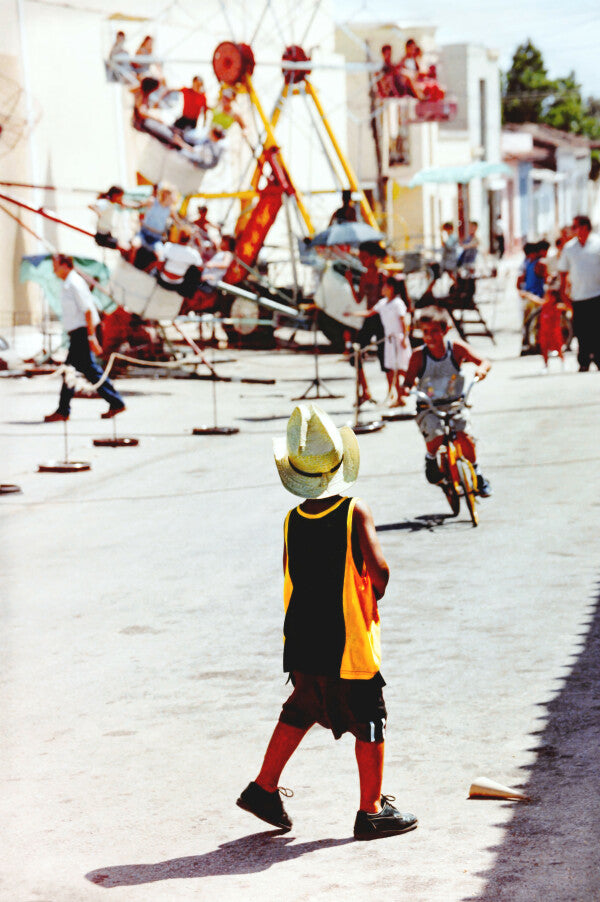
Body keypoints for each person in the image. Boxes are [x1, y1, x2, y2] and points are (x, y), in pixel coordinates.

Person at [236, 403, 418, 841]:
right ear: (339, 464)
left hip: (302, 639)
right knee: (371, 719)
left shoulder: (292, 519)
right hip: (347, 642)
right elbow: (380, 574)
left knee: (301, 707)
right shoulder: (355, 510)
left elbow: (292, 574)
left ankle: (263, 787)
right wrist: (373, 587)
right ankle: (371, 810)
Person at [401, 306, 492, 496]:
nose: (430, 337)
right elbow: (407, 382)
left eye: (435, 331)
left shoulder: (456, 349)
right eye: (425, 332)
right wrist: (406, 390)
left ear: (445, 330)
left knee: (464, 435)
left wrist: (481, 369)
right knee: (436, 433)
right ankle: (431, 458)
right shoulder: (418, 356)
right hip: (429, 406)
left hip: (455, 403)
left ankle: (477, 473)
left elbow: (483, 361)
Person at [44, 255, 125, 422]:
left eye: (56, 265)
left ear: (65, 265)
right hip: (77, 333)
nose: (54, 268)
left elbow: (88, 310)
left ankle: (64, 410)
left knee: (79, 370)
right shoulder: (68, 283)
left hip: (82, 332)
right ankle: (114, 402)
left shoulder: (74, 283)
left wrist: (91, 337)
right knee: (77, 370)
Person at [348, 276, 411, 406]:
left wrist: (404, 338)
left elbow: (403, 322)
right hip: (388, 340)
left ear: (391, 288)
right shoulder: (383, 303)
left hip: (398, 339)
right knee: (392, 368)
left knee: (402, 368)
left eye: (385, 286)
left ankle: (413, 385)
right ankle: (398, 397)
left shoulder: (397, 303)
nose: (382, 289)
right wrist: (352, 314)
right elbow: (370, 312)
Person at [558, 214, 600, 371]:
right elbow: (563, 272)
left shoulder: (597, 243)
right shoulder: (569, 248)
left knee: (597, 328)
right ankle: (583, 361)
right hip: (578, 295)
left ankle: (598, 358)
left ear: (584, 227)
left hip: (596, 293)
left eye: (575, 226)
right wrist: (563, 294)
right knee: (581, 330)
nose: (573, 230)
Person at [156, 229, 203, 296]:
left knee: (162, 257)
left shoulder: (169, 246)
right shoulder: (193, 254)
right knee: (195, 269)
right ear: (189, 239)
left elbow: (159, 264)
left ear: (178, 236)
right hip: (177, 284)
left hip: (163, 280)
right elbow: (200, 266)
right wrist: (199, 245)